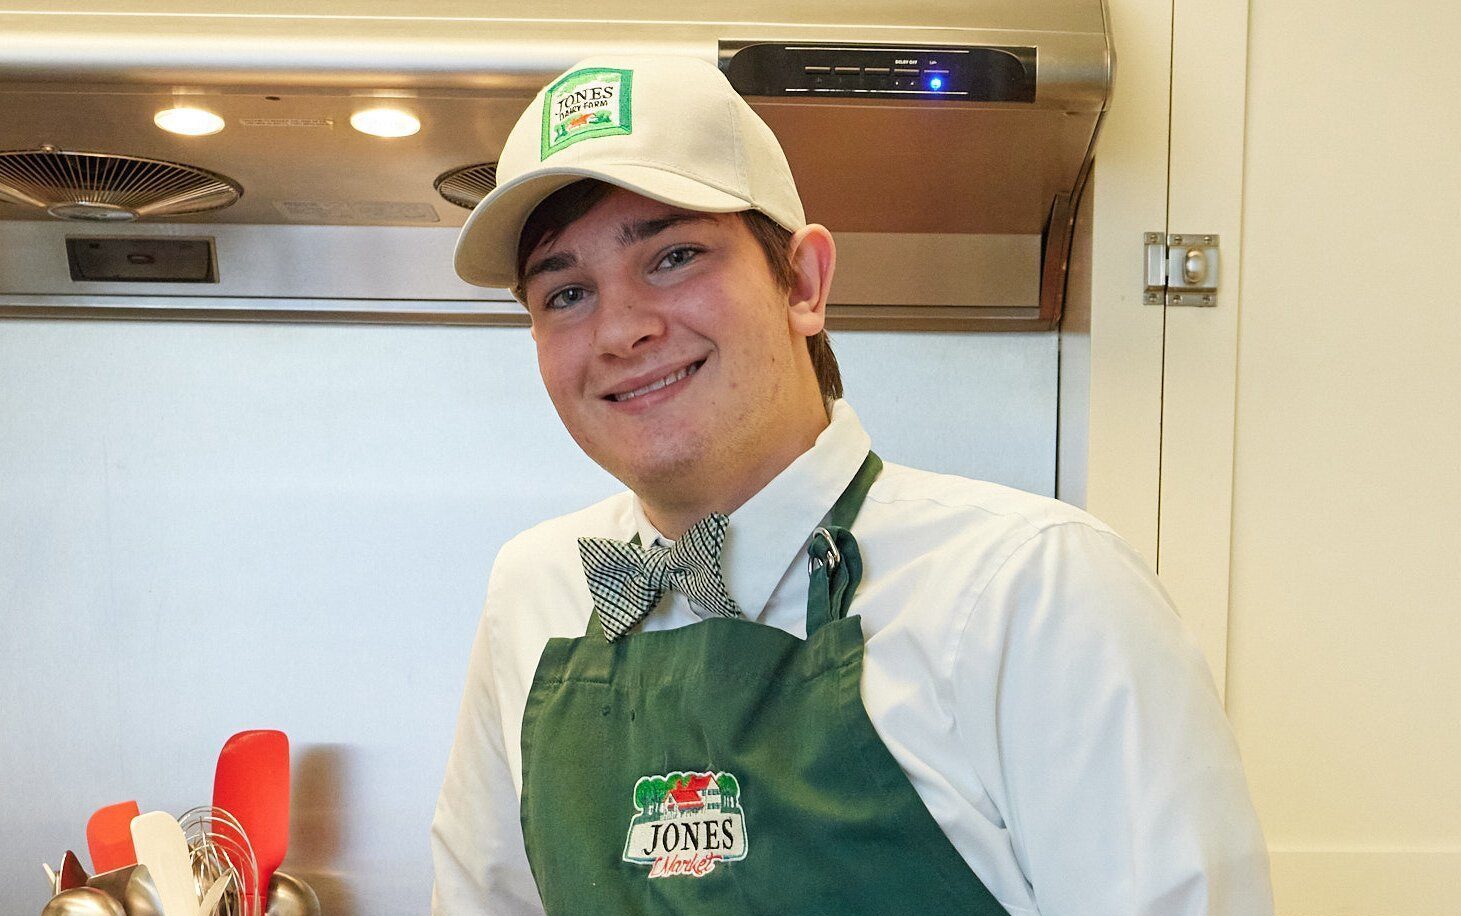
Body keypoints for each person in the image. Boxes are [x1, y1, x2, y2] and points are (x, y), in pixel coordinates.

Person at [431, 54, 1272, 915]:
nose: (620, 330)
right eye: (565, 293)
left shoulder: (1034, 587)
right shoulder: (536, 589)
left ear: (802, 282)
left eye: (674, 255)